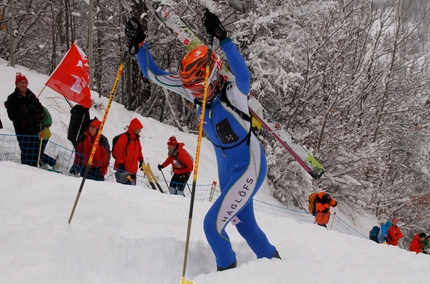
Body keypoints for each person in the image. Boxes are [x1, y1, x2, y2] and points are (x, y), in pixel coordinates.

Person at [125, 10, 280, 271]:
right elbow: (155, 74)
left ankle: (226, 271)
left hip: (249, 166)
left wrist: (224, 39)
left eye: (198, 88)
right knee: (245, 224)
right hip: (227, 167)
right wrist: (140, 44)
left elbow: (244, 77)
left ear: (211, 78)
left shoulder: (233, 95)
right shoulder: (193, 89)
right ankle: (277, 266)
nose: (193, 94)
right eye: (190, 89)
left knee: (212, 225)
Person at [5, 72, 44, 167]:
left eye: (25, 82)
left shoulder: (31, 95)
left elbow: (41, 110)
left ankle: (35, 173)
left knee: (35, 153)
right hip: (22, 131)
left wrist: (36, 106)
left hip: (35, 129)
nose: (24, 85)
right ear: (17, 84)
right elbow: (12, 116)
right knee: (26, 153)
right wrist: (25, 110)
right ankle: (26, 173)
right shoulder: (12, 98)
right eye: (21, 82)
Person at [112, 118, 144, 185]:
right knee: (122, 190)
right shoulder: (124, 137)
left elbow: (139, 150)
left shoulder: (136, 139)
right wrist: (120, 163)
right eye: (139, 128)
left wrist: (141, 160)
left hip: (133, 171)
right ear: (134, 128)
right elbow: (117, 151)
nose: (140, 130)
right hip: (123, 170)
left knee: (131, 191)